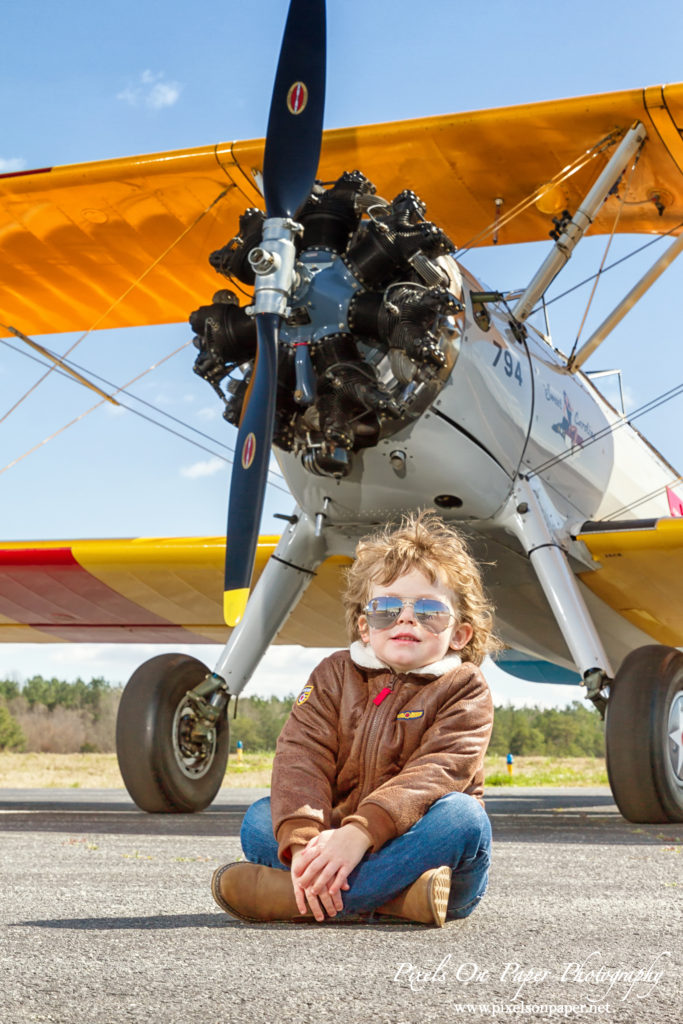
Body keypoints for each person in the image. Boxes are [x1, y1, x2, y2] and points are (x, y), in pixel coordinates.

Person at [212, 510, 500, 926]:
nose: (405, 618)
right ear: (365, 628)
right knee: (261, 816)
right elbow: (301, 755)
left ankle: (296, 899)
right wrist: (306, 841)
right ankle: (394, 901)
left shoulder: (465, 687)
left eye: (429, 610)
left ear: (459, 634)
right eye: (385, 608)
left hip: (422, 854)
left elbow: (437, 772)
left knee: (464, 818)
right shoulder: (333, 673)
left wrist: (358, 833)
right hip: (341, 848)